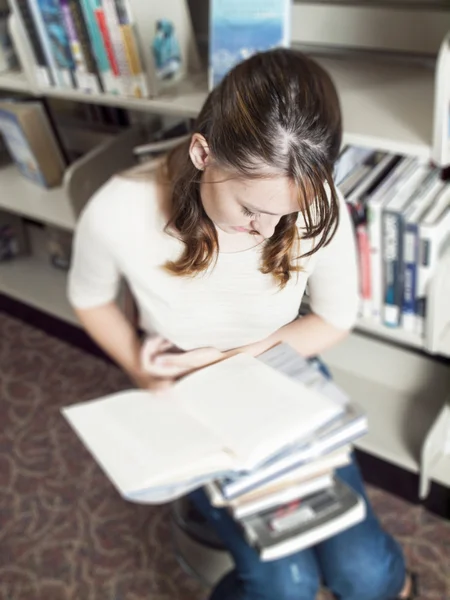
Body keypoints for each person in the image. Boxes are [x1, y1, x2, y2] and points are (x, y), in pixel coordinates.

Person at [68, 49, 415, 600]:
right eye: (253, 207)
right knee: (285, 584)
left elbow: (333, 316)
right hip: (188, 393)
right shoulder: (119, 210)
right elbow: (90, 300)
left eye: (285, 213)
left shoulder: (317, 203)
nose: (267, 229)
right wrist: (141, 367)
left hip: (283, 366)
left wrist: (227, 360)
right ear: (203, 152)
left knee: (367, 573)